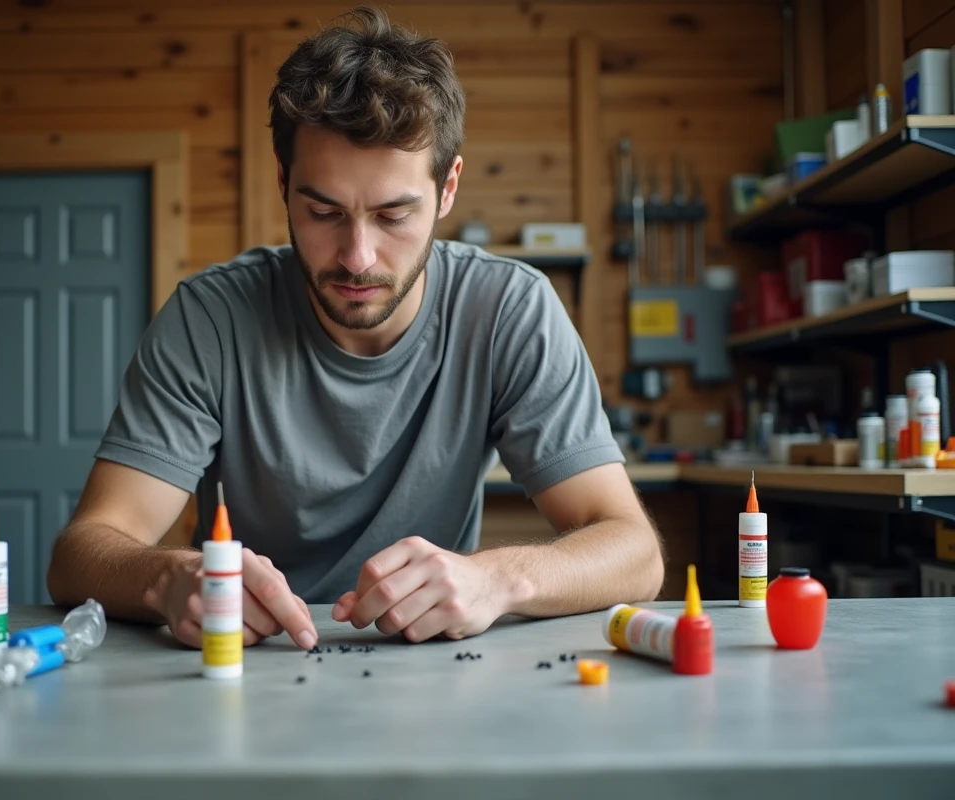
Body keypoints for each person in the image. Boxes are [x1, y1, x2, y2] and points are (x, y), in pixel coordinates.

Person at [47, 5, 664, 651]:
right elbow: (80, 553)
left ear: (448, 188)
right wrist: (167, 579)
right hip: (245, 663)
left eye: (394, 216)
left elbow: (634, 552)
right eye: (324, 212)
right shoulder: (211, 319)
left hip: (432, 667)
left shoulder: (509, 309)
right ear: (283, 183)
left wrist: (498, 578)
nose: (357, 257)